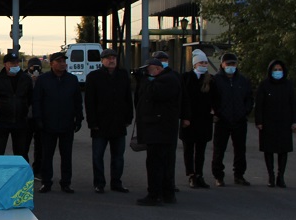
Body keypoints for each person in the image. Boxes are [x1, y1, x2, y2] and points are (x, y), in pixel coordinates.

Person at [31, 51, 83, 193]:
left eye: (63, 61)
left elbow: (78, 101)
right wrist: (38, 119)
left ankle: (66, 183)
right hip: (48, 124)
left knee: (66, 155)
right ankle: (46, 182)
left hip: (67, 124)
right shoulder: (43, 80)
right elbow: (37, 101)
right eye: (59, 61)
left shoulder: (72, 80)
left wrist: (79, 118)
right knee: (47, 155)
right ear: (52, 63)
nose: (62, 64)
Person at [84, 48, 133, 193]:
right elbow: (89, 102)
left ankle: (116, 182)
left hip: (118, 123)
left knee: (118, 157)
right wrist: (92, 122)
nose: (111, 60)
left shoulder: (123, 75)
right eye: (108, 58)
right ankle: (99, 183)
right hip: (100, 124)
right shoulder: (94, 77)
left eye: (114, 58)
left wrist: (128, 117)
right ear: (102, 60)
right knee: (98, 156)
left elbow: (127, 99)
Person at [135, 58, 182, 206]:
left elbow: (153, 93)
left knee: (156, 163)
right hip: (160, 129)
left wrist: (143, 80)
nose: (147, 74)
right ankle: (166, 194)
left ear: (156, 68)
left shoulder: (167, 80)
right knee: (163, 163)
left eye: (148, 70)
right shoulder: (166, 78)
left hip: (160, 130)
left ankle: (155, 194)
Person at [210, 52, 254, 186]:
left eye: (233, 64)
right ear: (222, 65)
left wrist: (245, 112)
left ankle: (239, 175)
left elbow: (249, 98)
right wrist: (217, 113)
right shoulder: (216, 80)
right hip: (222, 120)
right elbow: (212, 99)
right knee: (219, 149)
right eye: (228, 64)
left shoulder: (243, 81)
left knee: (240, 149)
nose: (231, 66)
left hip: (239, 120)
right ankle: (218, 176)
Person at [254, 59, 296, 188]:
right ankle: (271, 176)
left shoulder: (288, 85)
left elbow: (293, 104)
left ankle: (281, 176)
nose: (278, 72)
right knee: (268, 150)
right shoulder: (264, 85)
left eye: (280, 70)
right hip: (268, 123)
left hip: (284, 123)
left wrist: (295, 121)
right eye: (275, 70)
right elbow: (259, 105)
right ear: (270, 71)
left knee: (283, 150)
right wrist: (259, 121)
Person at [0, 52, 35, 161]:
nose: (15, 65)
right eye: (12, 63)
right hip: (2, 121)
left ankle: (21, 177)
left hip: (20, 121)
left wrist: (24, 109)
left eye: (17, 63)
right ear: (5, 64)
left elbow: (31, 97)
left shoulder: (25, 79)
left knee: (21, 153)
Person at [180, 50, 217, 189]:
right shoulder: (186, 78)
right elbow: (183, 98)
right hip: (189, 120)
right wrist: (184, 116)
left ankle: (199, 174)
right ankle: (191, 174)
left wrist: (214, 110)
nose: (204, 65)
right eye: (201, 62)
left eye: (205, 63)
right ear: (195, 64)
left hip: (204, 120)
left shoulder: (210, 80)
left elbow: (215, 98)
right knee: (188, 149)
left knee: (201, 150)